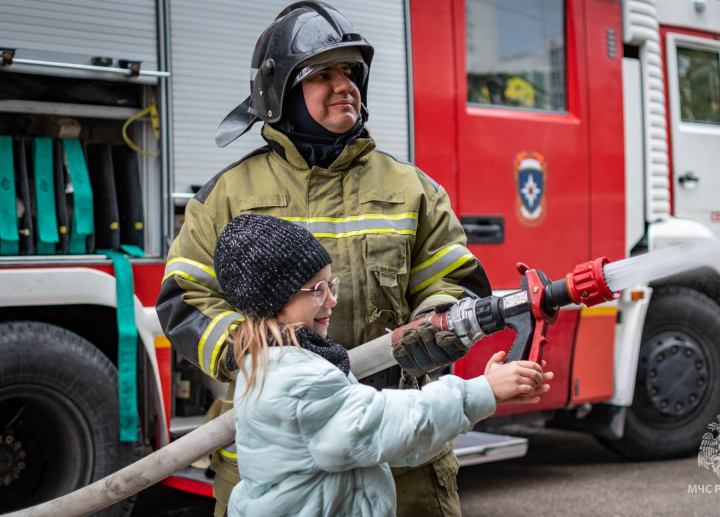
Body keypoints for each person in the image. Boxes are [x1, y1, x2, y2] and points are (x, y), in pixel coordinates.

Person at [156, 2, 494, 515]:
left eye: (352, 72)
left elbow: (456, 280)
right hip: (277, 472)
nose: (345, 86)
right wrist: (249, 348)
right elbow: (183, 298)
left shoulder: (411, 189)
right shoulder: (228, 194)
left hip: (399, 458)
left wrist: (435, 325)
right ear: (281, 93)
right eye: (323, 74)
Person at [213, 214, 553, 517]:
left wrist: (477, 402)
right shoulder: (297, 379)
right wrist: (482, 392)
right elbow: (377, 425)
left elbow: (391, 443)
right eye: (318, 289)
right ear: (276, 300)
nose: (332, 299)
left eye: (331, 285)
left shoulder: (283, 361)